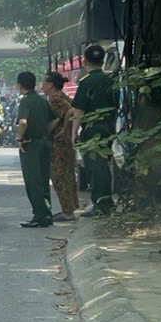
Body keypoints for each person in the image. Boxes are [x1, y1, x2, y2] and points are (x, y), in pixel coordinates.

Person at [71, 44, 119, 217]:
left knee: (95, 167)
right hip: (110, 127)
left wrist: (73, 133)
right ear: (103, 60)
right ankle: (104, 202)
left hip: (92, 129)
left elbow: (79, 110)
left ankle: (101, 204)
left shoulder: (86, 82)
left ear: (85, 60)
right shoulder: (111, 80)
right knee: (104, 165)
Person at [14, 71, 58, 227]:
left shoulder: (26, 101)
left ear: (20, 86)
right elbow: (55, 118)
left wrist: (20, 139)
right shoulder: (41, 100)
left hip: (30, 144)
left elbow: (23, 122)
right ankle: (46, 215)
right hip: (44, 143)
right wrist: (45, 131)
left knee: (33, 181)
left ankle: (39, 216)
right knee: (43, 179)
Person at [42, 71, 80, 221]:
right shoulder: (60, 96)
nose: (42, 85)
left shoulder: (56, 99)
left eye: (44, 82)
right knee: (68, 174)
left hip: (58, 142)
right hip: (65, 142)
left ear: (51, 84)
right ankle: (71, 207)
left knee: (59, 175)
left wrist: (62, 128)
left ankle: (67, 210)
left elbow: (70, 112)